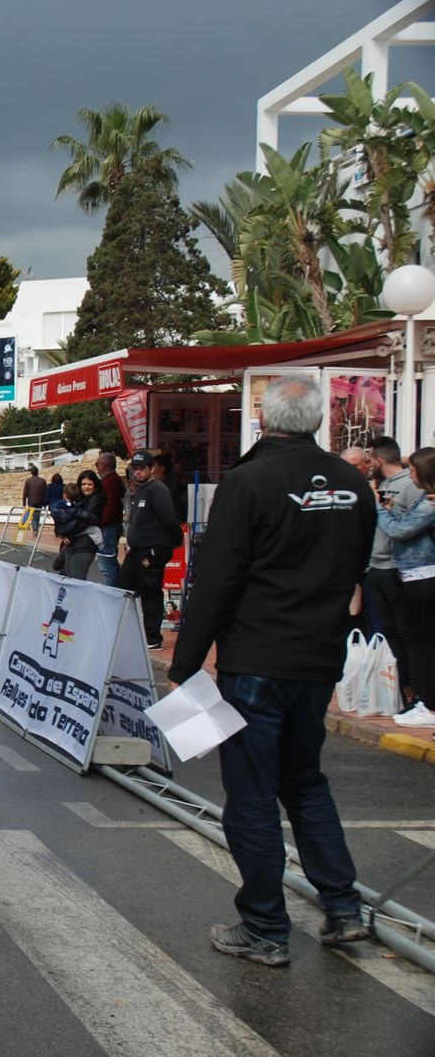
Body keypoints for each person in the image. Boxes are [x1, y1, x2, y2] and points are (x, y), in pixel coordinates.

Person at [166, 374, 375, 968]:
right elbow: (354, 566)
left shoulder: (250, 481)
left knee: (252, 798)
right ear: (317, 421)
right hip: (317, 660)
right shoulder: (353, 482)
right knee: (305, 783)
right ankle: (342, 909)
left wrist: (185, 663)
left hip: (257, 660)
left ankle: (265, 927)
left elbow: (218, 577)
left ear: (264, 420)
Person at [363, 438, 420, 717]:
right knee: (388, 633)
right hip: (375, 568)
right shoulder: (382, 486)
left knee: (405, 632)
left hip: (398, 569)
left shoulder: (409, 486)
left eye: (369, 458)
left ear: (377, 459)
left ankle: (413, 691)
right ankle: (395, 690)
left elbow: (406, 525)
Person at [379, 447, 435, 730]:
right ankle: (426, 702)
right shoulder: (426, 500)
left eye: (413, 470)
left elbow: (400, 531)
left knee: (424, 644)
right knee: (421, 641)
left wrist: (377, 508)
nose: (409, 475)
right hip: (414, 574)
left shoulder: (429, 504)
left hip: (424, 576)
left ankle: (429, 704)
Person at [114, 450, 179, 650]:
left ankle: (153, 638)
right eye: (135, 468)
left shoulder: (156, 489)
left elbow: (168, 518)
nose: (138, 472)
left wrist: (175, 540)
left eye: (142, 468)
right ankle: (124, 632)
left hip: (152, 549)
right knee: (122, 589)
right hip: (138, 549)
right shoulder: (140, 490)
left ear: (151, 469)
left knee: (150, 590)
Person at [51, 470, 105, 581]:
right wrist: (61, 533)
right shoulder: (78, 499)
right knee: (70, 579)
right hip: (73, 543)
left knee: (77, 581)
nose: (86, 487)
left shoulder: (96, 499)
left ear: (95, 485)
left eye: (89, 484)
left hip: (84, 545)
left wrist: (65, 533)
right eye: (83, 484)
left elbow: (83, 523)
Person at [96, 452, 125, 586]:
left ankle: (111, 591)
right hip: (110, 525)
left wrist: (101, 522)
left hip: (108, 526)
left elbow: (111, 504)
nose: (96, 467)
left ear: (104, 466)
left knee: (107, 563)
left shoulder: (110, 481)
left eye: (98, 464)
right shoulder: (112, 480)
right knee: (108, 563)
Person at [21, 465, 47, 536]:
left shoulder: (28, 481)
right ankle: (36, 529)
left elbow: (25, 492)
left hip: (31, 501)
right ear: (38, 472)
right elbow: (45, 493)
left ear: (31, 473)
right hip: (40, 501)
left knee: (33, 515)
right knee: (37, 515)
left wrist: (23, 502)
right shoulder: (42, 481)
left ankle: (35, 530)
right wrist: (45, 503)